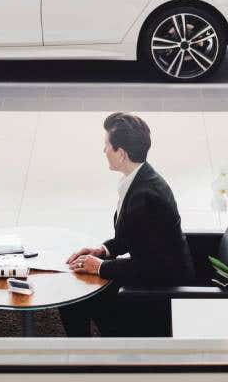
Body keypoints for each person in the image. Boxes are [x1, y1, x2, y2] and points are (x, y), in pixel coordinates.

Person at [61, 113, 193, 336]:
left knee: (72, 296)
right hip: (152, 275)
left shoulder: (147, 197)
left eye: (107, 146)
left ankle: (83, 356)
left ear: (121, 154)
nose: (104, 151)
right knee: (79, 282)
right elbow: (135, 236)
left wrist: (101, 267)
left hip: (156, 294)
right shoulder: (140, 178)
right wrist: (103, 250)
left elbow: (149, 267)